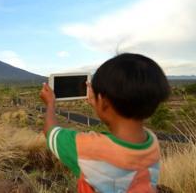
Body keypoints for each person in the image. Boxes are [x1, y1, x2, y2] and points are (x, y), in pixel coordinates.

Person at [39, 53, 170, 192]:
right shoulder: (152, 143)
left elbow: (51, 132)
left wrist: (50, 104)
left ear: (103, 100)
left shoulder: (88, 147)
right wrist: (100, 104)